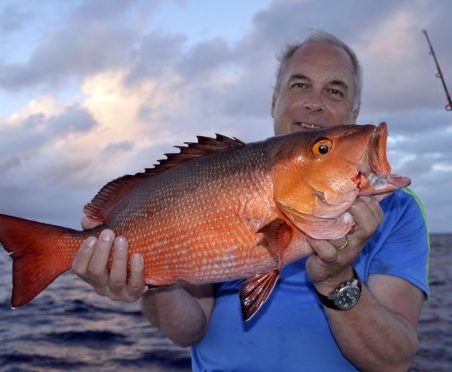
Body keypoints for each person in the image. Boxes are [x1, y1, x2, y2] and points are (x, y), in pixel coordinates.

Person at [72, 30, 429, 371]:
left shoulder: (398, 209)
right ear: (275, 101)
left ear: (354, 113)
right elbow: (187, 331)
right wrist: (147, 281)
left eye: (335, 91)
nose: (314, 103)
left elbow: (394, 362)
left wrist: (335, 279)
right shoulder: (219, 179)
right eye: (300, 84)